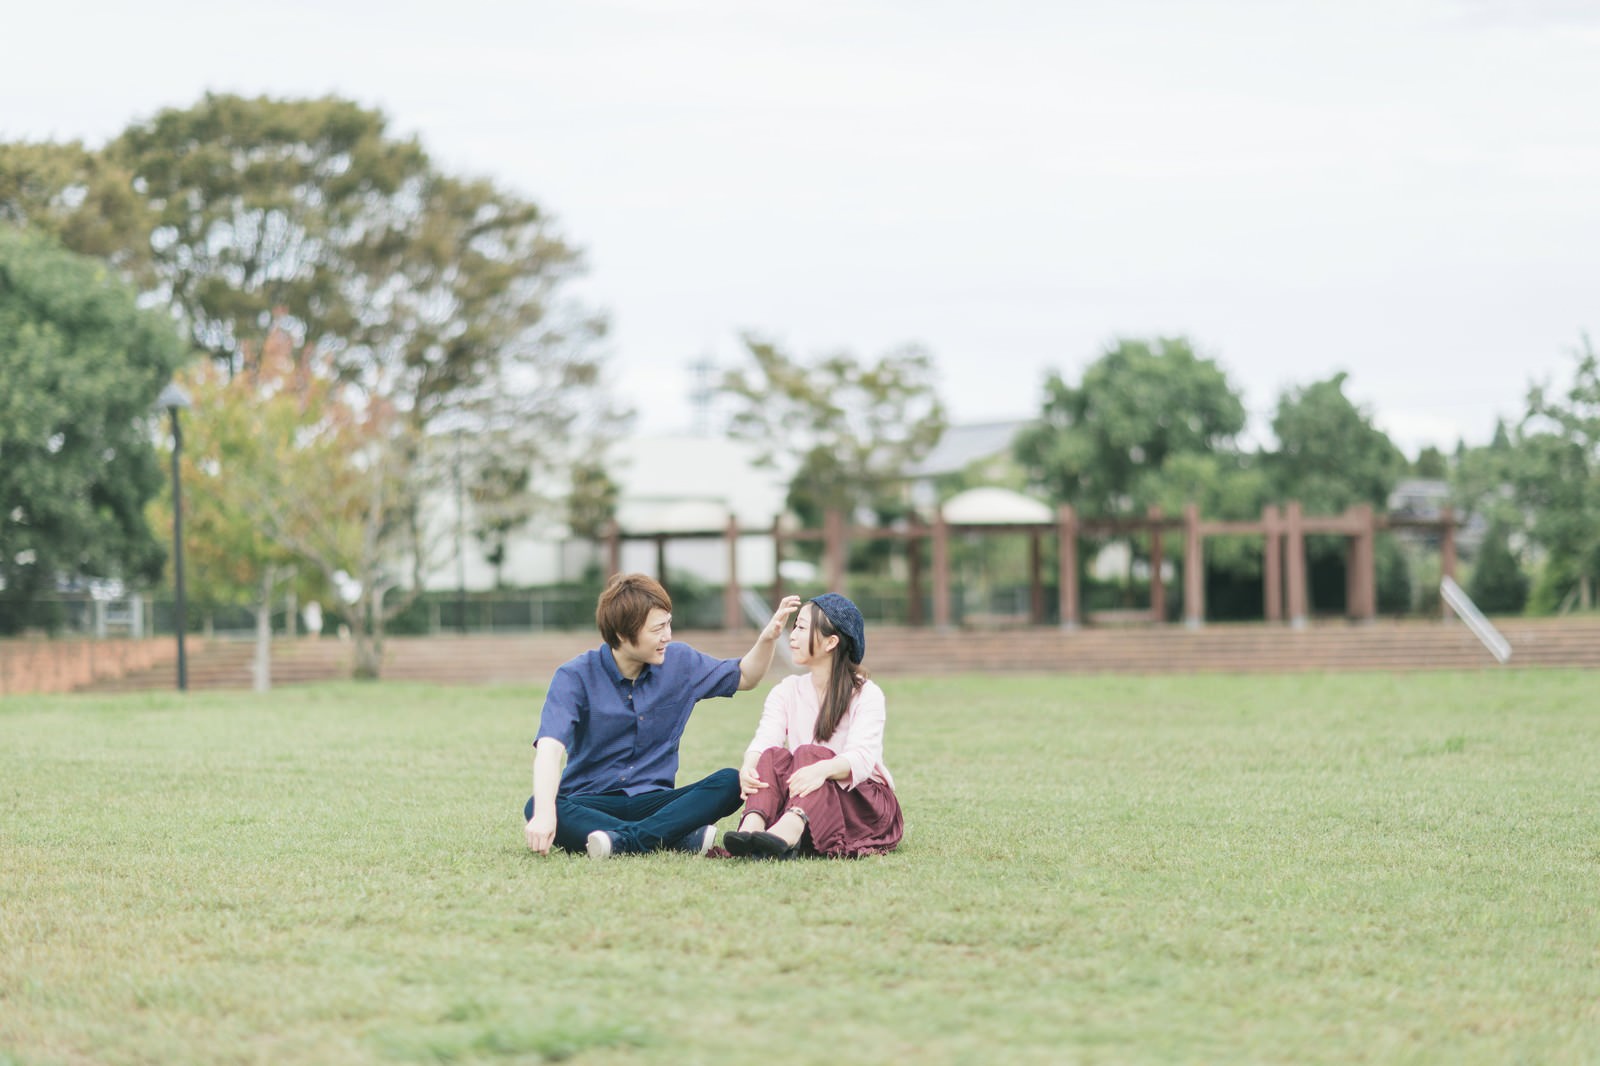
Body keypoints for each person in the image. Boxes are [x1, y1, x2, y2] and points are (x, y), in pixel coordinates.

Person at [524, 572, 801, 860]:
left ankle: (623, 841)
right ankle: (671, 838)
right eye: (657, 629)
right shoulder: (575, 676)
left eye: (668, 624)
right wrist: (544, 815)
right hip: (589, 801)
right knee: (537, 806)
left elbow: (745, 676)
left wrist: (767, 639)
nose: (667, 636)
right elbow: (549, 748)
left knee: (729, 782)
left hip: (654, 801)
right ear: (622, 634)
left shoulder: (679, 662)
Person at [723, 593, 903, 860]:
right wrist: (750, 765)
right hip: (808, 792)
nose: (792, 636)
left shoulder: (866, 693)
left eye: (802, 628)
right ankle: (753, 825)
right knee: (772, 756)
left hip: (862, 804)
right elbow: (765, 739)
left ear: (831, 641)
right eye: (793, 627)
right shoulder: (786, 690)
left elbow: (862, 758)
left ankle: (790, 830)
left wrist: (822, 769)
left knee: (809, 754)